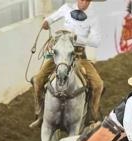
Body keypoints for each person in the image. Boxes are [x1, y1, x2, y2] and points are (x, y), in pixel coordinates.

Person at [29, 0, 106, 128]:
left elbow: (96, 41)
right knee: (38, 80)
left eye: (87, 0)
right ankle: (40, 114)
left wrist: (76, 38)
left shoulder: (93, 17)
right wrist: (47, 22)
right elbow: (51, 18)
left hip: (79, 56)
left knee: (98, 84)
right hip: (60, 54)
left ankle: (93, 116)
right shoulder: (66, 8)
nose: (84, 3)